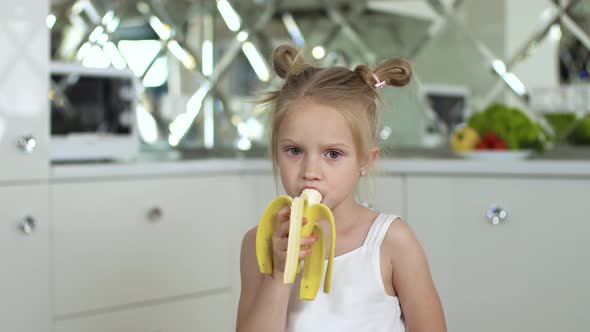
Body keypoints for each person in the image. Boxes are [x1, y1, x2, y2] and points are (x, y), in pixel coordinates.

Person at [236, 45, 446, 332]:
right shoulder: (256, 244)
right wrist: (278, 272)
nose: (310, 172)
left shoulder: (392, 242)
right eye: (294, 150)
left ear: (364, 160)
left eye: (332, 154)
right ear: (276, 152)